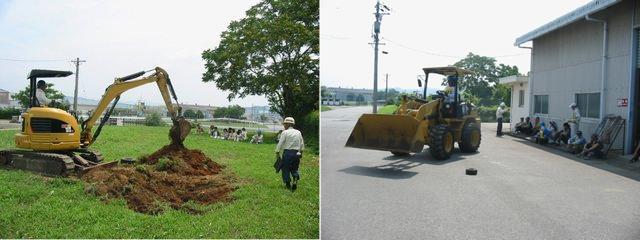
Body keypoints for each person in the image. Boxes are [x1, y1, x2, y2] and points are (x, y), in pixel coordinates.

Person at [275, 117, 304, 191]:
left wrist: (277, 152)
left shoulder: (285, 132)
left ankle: (288, 184)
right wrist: (301, 152)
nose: (284, 125)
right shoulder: (298, 132)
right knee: (295, 168)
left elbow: (280, 143)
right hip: (297, 153)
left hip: (287, 153)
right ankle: (295, 179)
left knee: (285, 169)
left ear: (288, 124)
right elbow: (301, 143)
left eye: (284, 124)